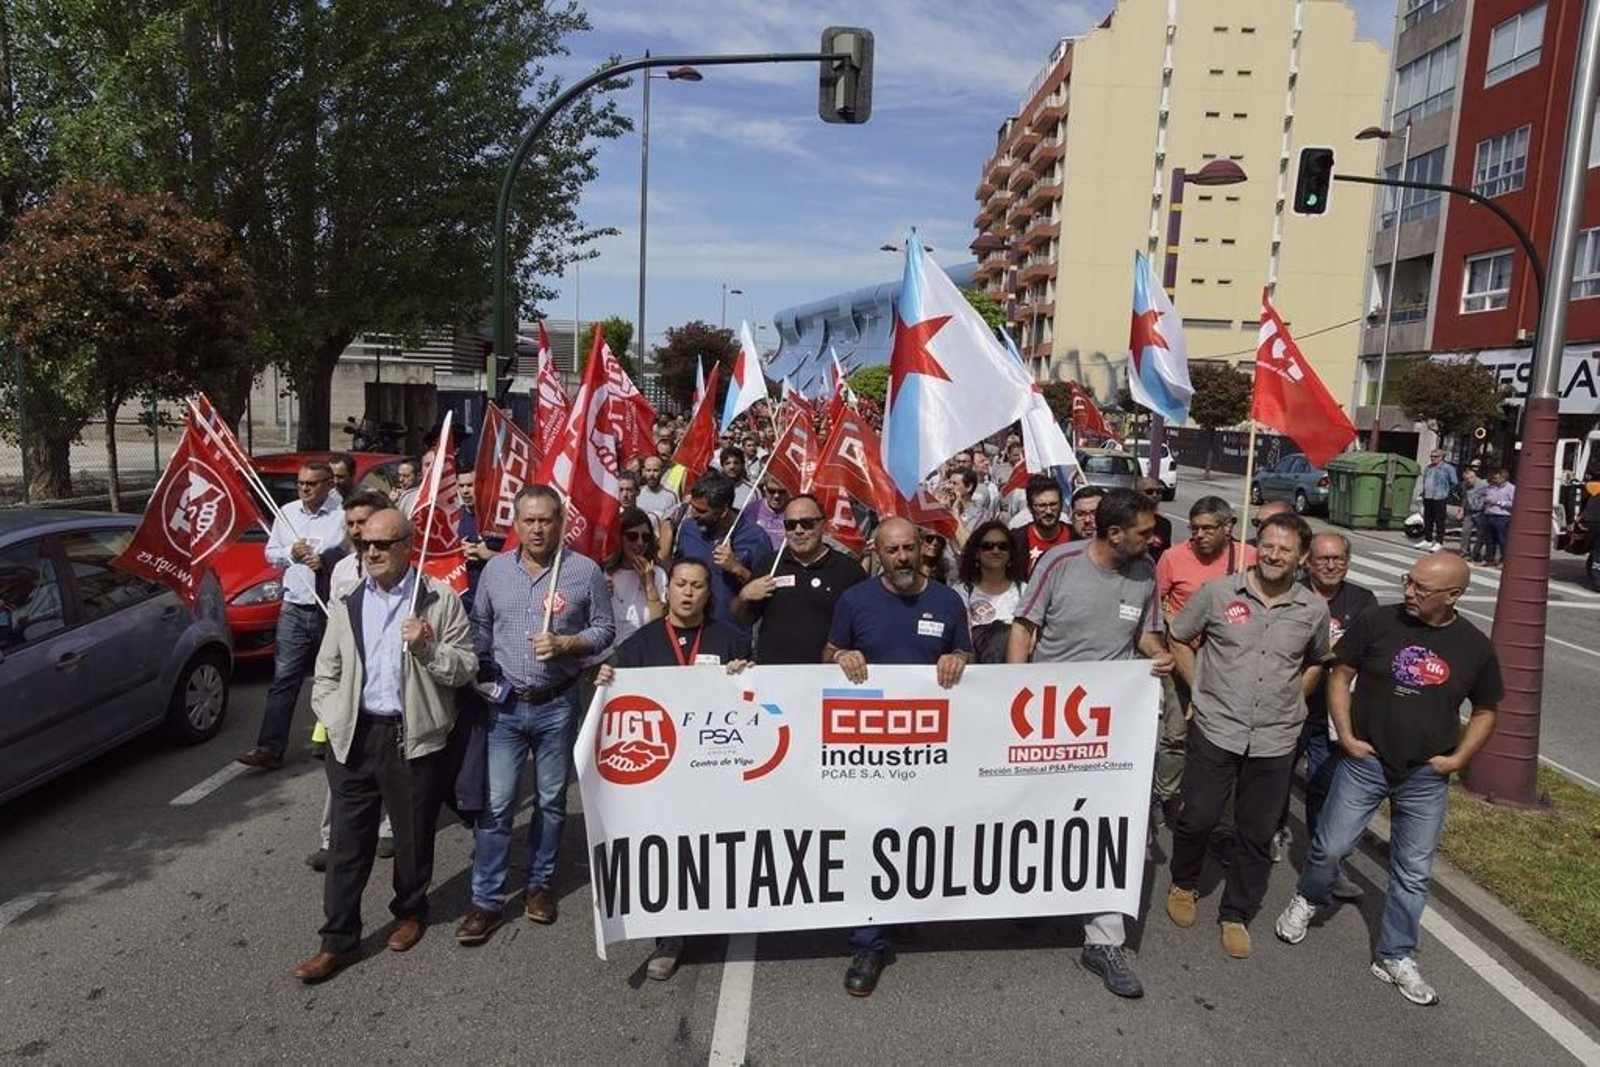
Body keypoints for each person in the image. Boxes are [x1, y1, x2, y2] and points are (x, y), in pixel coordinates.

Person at [1275, 553, 1501, 1007]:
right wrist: (1347, 736)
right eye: (1408, 581)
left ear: (1453, 596)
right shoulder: (1377, 621)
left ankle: (1395, 954)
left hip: (1424, 776)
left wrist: (1458, 758)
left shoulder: (1474, 646)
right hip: (1366, 762)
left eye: (1421, 588)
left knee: (1413, 872)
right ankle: (1309, 897)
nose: (1409, 592)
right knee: (1330, 846)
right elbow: (1341, 676)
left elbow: (1486, 709)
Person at [290, 508, 477, 983]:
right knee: (348, 847)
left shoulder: (438, 599)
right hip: (354, 737)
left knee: (413, 840)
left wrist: (426, 648)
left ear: (406, 547)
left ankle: (410, 909)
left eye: (381, 544)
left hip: (411, 738)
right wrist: (333, 719)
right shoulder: (349, 601)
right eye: (363, 545)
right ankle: (337, 940)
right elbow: (327, 670)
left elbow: (464, 669)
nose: (370, 552)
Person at [1008, 489, 1173, 999]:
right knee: (1039, 818)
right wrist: (1010, 693)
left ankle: (1103, 940)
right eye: (1145, 532)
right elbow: (1023, 627)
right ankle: (1035, 897)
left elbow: (1145, 634)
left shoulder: (1145, 572)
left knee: (1112, 826)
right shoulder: (1059, 563)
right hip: (1044, 721)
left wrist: (1157, 653)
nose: (1155, 539)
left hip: (1109, 728)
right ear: (1113, 533)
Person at [1164, 512, 1330, 960]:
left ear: (1301, 558)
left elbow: (1318, 659)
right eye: (1269, 545)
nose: (1275, 555)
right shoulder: (1218, 594)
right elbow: (1179, 635)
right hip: (1217, 727)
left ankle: (1236, 912)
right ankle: (1184, 882)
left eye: (1286, 549)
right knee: (1197, 816)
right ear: (1258, 546)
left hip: (1276, 738)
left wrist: (1298, 695)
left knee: (1256, 832)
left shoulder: (1313, 609)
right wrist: (1195, 686)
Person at [456, 486, 615, 945]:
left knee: (549, 800)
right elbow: (480, 625)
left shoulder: (583, 571)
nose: (537, 529)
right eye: (528, 520)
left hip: (557, 705)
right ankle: (485, 900)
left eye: (546, 520)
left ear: (561, 522)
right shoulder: (495, 570)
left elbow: (604, 629)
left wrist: (568, 644)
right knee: (498, 804)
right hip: (505, 707)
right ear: (517, 524)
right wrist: (483, 668)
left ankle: (539, 885)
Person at [824, 516, 973, 997]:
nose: (904, 557)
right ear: (877, 552)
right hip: (869, 751)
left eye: (911, 547)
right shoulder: (855, 600)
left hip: (930, 749)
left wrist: (960, 660)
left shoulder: (948, 601)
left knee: (919, 834)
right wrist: (838, 657)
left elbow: (966, 654)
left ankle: (905, 909)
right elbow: (828, 650)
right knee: (871, 836)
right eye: (893, 550)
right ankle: (868, 941)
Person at [594, 558, 754, 980]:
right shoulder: (639, 645)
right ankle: (669, 937)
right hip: (661, 774)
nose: (687, 592)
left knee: (716, 846)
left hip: (715, 768)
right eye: (680, 584)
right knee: (666, 855)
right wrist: (607, 679)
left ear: (708, 593)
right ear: (667, 591)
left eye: (697, 586)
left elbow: (755, 704)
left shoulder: (732, 641)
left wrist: (748, 677)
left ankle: (719, 914)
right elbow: (614, 706)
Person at [1271, 532, 1378, 885]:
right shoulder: (1290, 592)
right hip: (1287, 706)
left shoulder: (1363, 600)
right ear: (1307, 562)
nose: (1332, 566)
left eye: (1339, 559)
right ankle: (1272, 828)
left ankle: (1322, 863)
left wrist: (1324, 652)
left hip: (1332, 716)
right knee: (1276, 777)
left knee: (1325, 788)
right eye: (1324, 559)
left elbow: (1362, 651)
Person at [307, 489, 396, 871]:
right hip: (348, 687)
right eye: (351, 525)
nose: (358, 532)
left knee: (393, 769)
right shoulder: (342, 570)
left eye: (364, 523)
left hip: (387, 689)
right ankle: (333, 839)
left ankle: (389, 829)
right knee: (340, 765)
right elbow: (334, 633)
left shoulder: (401, 570)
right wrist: (328, 700)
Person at [238, 461, 347, 770]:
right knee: (284, 679)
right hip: (294, 608)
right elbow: (270, 553)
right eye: (300, 484)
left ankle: (330, 741)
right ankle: (269, 748)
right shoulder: (286, 512)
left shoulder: (341, 517)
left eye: (311, 484)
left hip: (330, 610)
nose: (303, 489)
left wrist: (323, 562)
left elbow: (351, 555)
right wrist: (291, 554)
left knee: (333, 678)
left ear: (329, 484)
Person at [733, 494, 866, 665]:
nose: (798, 530)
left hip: (828, 677)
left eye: (807, 523)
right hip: (774, 675)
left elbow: (864, 627)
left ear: (823, 525)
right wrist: (744, 597)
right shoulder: (769, 564)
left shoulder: (848, 570)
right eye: (790, 525)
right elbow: (743, 619)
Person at [672, 472, 770, 639]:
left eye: (702, 511)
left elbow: (765, 590)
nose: (694, 515)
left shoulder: (756, 537)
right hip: (690, 633)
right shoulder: (688, 528)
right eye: (693, 507)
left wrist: (736, 568)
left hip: (733, 635)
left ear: (723, 511)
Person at [955, 518, 1027, 664]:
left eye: (1003, 546)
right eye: (987, 546)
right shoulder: (961, 592)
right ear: (976, 553)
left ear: (1010, 553)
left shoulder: (1024, 591)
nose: (996, 551)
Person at [602, 506, 667, 647]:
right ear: (619, 538)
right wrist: (599, 597)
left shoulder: (658, 575)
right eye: (632, 536)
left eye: (645, 537)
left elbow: (660, 625)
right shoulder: (602, 574)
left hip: (645, 655)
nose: (639, 543)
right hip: (608, 657)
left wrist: (649, 585)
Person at [1010, 475, 1071, 577]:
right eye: (1042, 506)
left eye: (1053, 504)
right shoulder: (1015, 541)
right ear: (1030, 508)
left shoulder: (1076, 539)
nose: (1048, 511)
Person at [1419, 449, 1458, 552]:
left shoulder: (1448, 468)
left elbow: (1454, 482)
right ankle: (1428, 539)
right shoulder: (1428, 468)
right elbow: (1425, 481)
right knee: (1428, 519)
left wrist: (1446, 492)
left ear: (1441, 457)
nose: (1432, 458)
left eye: (1435, 456)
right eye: (1431, 456)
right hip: (1428, 496)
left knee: (1439, 520)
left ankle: (1439, 541)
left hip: (1439, 497)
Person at [1134, 477, 1173, 564]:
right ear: (1137, 494)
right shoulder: (1127, 521)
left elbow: (1166, 556)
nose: (1155, 495)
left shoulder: (1165, 524)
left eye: (1158, 492)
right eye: (1149, 492)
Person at [1482, 469, 1515, 567]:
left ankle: (1503, 560)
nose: (1493, 480)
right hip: (1489, 514)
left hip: (1502, 516)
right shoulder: (1490, 487)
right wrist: (1485, 500)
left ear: (1503, 478)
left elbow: (1514, 503)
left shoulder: (1511, 488)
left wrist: (1499, 502)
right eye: (1493, 478)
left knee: (1502, 540)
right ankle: (1489, 559)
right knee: (1489, 540)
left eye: (1496, 478)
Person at [1458, 467, 1488, 563]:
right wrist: (1461, 509)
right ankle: (1464, 552)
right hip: (1469, 511)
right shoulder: (1464, 485)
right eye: (1466, 479)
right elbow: (1464, 498)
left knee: (1481, 534)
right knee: (1465, 531)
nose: (1469, 480)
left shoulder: (1483, 484)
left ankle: (1476, 553)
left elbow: (1488, 496)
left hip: (1481, 511)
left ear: (1475, 476)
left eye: (1471, 478)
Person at [749, 480, 790, 549]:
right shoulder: (752, 509)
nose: (776, 496)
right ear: (765, 489)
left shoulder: (794, 510)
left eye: (781, 492)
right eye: (771, 491)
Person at [637, 455, 679, 519]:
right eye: (648, 470)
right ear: (643, 472)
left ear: (662, 472)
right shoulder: (637, 494)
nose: (652, 474)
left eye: (655, 470)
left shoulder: (670, 496)